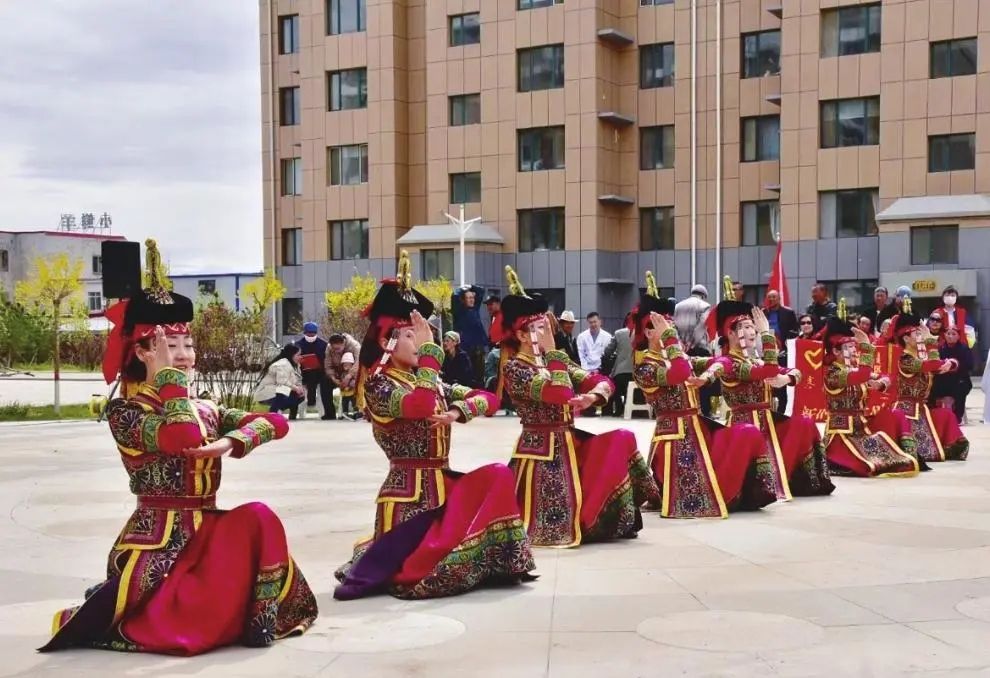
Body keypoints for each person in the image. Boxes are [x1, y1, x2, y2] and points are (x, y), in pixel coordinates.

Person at [41, 240, 317, 655]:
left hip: (207, 530)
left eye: (188, 345)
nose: (185, 357)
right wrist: (167, 377)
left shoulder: (205, 406)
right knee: (187, 631)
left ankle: (259, 621)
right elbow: (182, 436)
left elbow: (277, 423)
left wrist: (231, 441)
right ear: (143, 352)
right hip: (160, 546)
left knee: (259, 517)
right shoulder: (127, 412)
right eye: (171, 347)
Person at [335, 252, 534, 599]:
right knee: (423, 568)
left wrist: (458, 410)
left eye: (421, 337)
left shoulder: (429, 381)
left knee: (498, 476)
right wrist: (430, 355)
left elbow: (489, 399)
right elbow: (420, 405)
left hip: (443, 484)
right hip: (409, 500)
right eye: (411, 336)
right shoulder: (380, 386)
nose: (420, 344)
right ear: (386, 342)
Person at [498, 266, 659, 547]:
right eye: (539, 329)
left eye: (547, 327)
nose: (548, 333)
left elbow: (602, 381)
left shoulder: (554, 361)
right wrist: (554, 353)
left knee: (620, 438)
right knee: (554, 519)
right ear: (522, 336)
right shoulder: (515, 368)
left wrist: (592, 396)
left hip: (570, 441)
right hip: (540, 452)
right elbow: (559, 391)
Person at [632, 274, 776, 518]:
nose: (671, 331)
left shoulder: (682, 357)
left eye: (671, 327)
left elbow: (721, 361)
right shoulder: (645, 367)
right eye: (664, 327)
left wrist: (710, 374)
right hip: (675, 439)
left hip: (699, 430)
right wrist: (671, 341)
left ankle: (741, 493)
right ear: (648, 332)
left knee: (747, 434)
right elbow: (679, 373)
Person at [716, 285, 834, 501]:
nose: (752, 331)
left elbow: (797, 372)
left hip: (767, 422)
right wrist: (766, 334)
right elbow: (769, 370)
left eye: (753, 327)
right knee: (753, 437)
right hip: (744, 426)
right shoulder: (730, 362)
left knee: (804, 423)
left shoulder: (756, 360)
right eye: (746, 327)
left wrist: (785, 379)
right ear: (730, 333)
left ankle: (796, 480)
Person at [820, 316, 922, 478]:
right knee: (868, 466)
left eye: (854, 346)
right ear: (836, 351)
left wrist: (881, 383)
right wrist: (867, 347)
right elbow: (863, 375)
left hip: (861, 429)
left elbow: (886, 377)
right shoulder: (833, 374)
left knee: (896, 424)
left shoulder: (852, 369)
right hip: (841, 434)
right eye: (849, 347)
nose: (854, 350)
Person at [889, 305, 969, 462]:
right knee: (926, 451)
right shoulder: (905, 360)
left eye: (920, 334)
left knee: (946, 415)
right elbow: (932, 364)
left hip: (922, 408)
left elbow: (938, 365)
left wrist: (951, 363)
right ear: (906, 339)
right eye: (916, 334)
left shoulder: (920, 356)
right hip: (907, 411)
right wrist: (931, 340)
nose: (920, 337)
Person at [674, 284, 718, 416]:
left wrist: (681, 343)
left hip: (682, 349)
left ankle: (687, 408)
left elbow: (674, 327)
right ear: (704, 295)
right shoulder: (705, 306)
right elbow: (702, 327)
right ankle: (704, 410)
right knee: (702, 380)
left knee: (685, 379)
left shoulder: (678, 306)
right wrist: (691, 343)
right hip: (699, 348)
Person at [764, 289, 799, 414]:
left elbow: (795, 331)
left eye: (774, 297)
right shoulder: (763, 313)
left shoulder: (788, 312)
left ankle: (782, 411)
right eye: (769, 297)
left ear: (779, 298)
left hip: (784, 353)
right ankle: (769, 410)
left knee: (782, 382)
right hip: (767, 353)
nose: (771, 299)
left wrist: (786, 343)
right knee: (768, 381)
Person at [254, 344, 306, 416]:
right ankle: (273, 413)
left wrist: (300, 387)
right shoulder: (282, 364)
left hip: (277, 392)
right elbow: (282, 381)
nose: (300, 357)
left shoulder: (294, 365)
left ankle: (281, 411)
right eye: (298, 355)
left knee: (299, 396)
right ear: (291, 355)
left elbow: (297, 379)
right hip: (267, 393)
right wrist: (296, 388)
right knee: (284, 390)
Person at [452, 284, 488, 386]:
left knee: (480, 374)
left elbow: (481, 291)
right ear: (463, 300)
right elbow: (455, 296)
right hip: (465, 347)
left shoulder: (475, 308)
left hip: (478, 347)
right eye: (468, 298)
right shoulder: (459, 311)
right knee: (468, 373)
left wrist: (471, 286)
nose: (471, 300)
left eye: (472, 297)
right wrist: (462, 289)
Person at [936, 325, 974, 424]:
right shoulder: (940, 349)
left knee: (960, 389)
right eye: (948, 334)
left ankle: (957, 417)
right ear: (944, 335)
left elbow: (969, 365)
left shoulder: (964, 349)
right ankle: (936, 416)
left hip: (960, 379)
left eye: (953, 334)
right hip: (943, 380)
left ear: (958, 336)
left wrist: (954, 366)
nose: (950, 336)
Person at [296, 322, 334, 420]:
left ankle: (318, 408)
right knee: (309, 377)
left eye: (313, 334)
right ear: (304, 333)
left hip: (320, 373)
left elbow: (328, 359)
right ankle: (304, 408)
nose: (310, 336)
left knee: (320, 384)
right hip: (304, 373)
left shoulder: (324, 344)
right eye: (308, 334)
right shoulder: (298, 345)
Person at [325, 332, 362, 418]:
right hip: (338, 374)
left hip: (354, 374)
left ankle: (358, 409)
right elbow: (328, 365)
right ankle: (329, 413)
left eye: (338, 348)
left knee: (357, 383)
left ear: (343, 343)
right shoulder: (329, 347)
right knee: (325, 382)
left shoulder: (355, 346)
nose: (335, 351)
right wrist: (333, 378)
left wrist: (349, 376)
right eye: (334, 349)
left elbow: (359, 362)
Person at [604, 318, 633, 417]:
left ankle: (619, 408)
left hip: (621, 371)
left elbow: (608, 351)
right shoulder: (642, 333)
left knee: (614, 387)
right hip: (637, 371)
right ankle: (629, 408)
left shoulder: (618, 333)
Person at [338, 352, 359, 419]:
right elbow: (341, 381)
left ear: (351, 365)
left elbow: (355, 381)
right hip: (344, 392)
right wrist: (341, 386)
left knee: (354, 401)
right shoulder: (342, 374)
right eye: (345, 365)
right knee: (344, 402)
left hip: (352, 391)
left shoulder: (353, 374)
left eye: (348, 365)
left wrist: (350, 386)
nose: (346, 367)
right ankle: (345, 412)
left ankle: (356, 411)